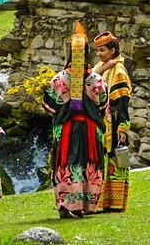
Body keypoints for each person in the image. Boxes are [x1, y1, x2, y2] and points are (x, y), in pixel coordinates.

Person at [43, 22, 107, 218]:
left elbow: (49, 104)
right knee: (88, 161)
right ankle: (84, 205)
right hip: (89, 128)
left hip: (66, 129)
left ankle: (66, 205)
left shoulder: (59, 79)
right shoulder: (96, 79)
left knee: (66, 162)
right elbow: (103, 103)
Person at [93, 31, 132, 212]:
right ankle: (102, 202)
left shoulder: (118, 71)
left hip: (114, 122)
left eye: (102, 50)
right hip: (101, 122)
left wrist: (123, 127)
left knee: (115, 160)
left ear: (113, 50)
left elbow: (122, 102)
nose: (99, 54)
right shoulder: (102, 67)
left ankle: (114, 203)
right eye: (98, 51)